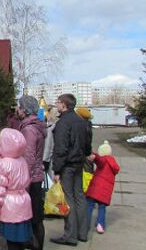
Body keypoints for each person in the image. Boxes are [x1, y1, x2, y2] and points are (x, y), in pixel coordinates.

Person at [50, 93, 89, 246]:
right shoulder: (81, 121)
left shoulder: (63, 123)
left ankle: (70, 235)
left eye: (58, 102)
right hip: (79, 163)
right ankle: (82, 233)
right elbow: (87, 145)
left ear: (64, 105)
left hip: (67, 166)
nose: (57, 105)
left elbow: (61, 148)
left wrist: (57, 170)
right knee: (79, 196)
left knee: (68, 199)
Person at [0, 128, 33, 250]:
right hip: (24, 203)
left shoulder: (3, 165)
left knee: (12, 242)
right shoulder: (22, 161)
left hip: (10, 207)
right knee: (20, 241)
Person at [17, 95, 47, 250]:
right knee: (36, 216)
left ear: (25, 110)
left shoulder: (29, 129)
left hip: (31, 178)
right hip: (36, 176)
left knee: (34, 217)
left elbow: (28, 157)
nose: (17, 109)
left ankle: (35, 245)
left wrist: (22, 180)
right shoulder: (37, 125)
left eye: (19, 106)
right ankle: (34, 243)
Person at [85, 140, 120, 234]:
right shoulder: (113, 163)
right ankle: (100, 225)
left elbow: (99, 160)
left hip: (95, 189)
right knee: (102, 207)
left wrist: (94, 155)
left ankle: (86, 224)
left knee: (89, 206)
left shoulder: (103, 160)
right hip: (105, 192)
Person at [75, 107, 94, 173]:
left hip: (83, 154)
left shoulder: (83, 127)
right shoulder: (87, 125)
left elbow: (86, 142)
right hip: (86, 153)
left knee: (86, 173)